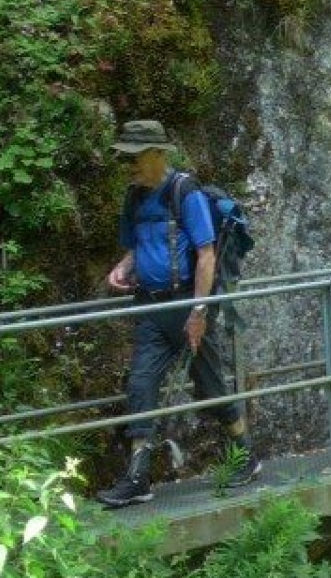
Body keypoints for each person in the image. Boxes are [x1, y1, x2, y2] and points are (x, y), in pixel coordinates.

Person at [97, 120, 259, 508]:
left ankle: (245, 455)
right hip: (152, 307)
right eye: (126, 159)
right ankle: (137, 477)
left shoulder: (184, 192)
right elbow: (139, 246)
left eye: (135, 158)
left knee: (210, 386)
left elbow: (206, 255)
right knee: (141, 384)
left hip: (188, 304)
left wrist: (199, 312)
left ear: (158, 155)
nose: (129, 166)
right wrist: (122, 268)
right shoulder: (134, 198)